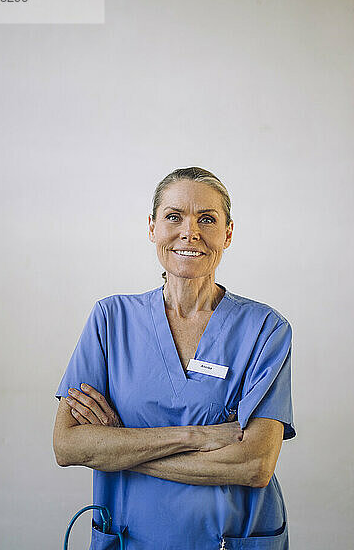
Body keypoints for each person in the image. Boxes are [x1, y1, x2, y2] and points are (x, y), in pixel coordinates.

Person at [53, 166, 296, 550]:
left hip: (228, 540)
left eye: (207, 219)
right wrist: (196, 436)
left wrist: (119, 447)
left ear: (228, 233)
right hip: (131, 538)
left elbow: (254, 465)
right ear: (152, 227)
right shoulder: (110, 320)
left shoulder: (265, 329)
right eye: (173, 216)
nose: (190, 232)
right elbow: (68, 446)